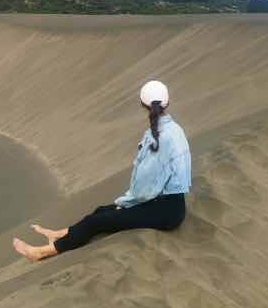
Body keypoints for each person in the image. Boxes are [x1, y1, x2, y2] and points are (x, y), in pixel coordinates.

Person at [13, 80, 191, 262]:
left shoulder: (159, 140)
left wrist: (126, 203)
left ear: (142, 103)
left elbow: (145, 189)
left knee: (96, 222)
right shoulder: (175, 130)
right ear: (167, 103)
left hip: (165, 212)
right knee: (101, 211)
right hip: (170, 205)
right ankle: (60, 234)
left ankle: (41, 252)